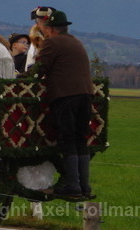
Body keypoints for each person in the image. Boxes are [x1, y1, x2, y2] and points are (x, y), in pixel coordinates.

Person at [34, 10, 95, 200]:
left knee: (66, 139)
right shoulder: (75, 41)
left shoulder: (52, 42)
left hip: (65, 95)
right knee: (79, 139)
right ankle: (83, 185)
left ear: (50, 29)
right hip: (85, 94)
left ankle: (72, 185)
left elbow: (40, 68)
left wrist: (24, 77)